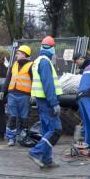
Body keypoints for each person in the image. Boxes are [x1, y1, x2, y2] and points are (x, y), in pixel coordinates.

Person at [28, 36, 63, 168]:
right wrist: (54, 103)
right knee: (56, 130)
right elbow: (48, 84)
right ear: (52, 48)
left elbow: (35, 81)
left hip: (40, 100)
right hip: (47, 102)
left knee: (47, 130)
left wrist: (33, 95)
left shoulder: (37, 61)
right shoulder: (45, 62)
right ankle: (36, 153)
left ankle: (46, 159)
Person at [0, 45, 33, 146]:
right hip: (12, 95)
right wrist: (3, 91)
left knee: (24, 118)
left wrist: (33, 94)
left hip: (25, 96)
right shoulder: (14, 65)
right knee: (12, 117)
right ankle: (11, 138)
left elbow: (35, 81)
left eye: (18, 53)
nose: (17, 55)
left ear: (24, 54)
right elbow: (8, 79)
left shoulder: (32, 66)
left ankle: (22, 137)